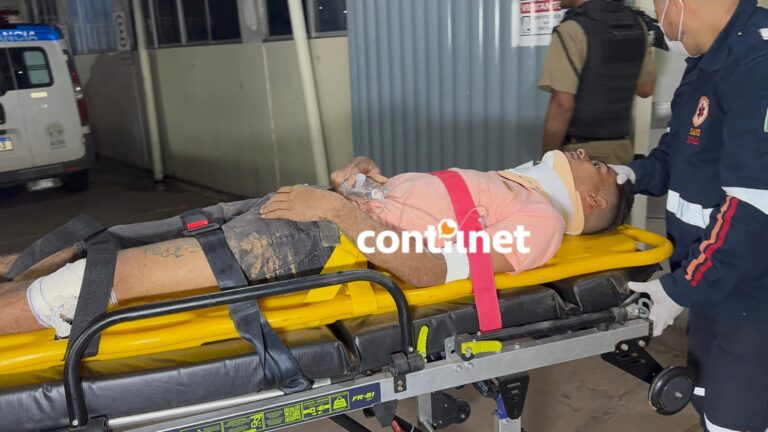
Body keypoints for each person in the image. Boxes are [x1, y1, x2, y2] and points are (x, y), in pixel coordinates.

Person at [0, 150, 634, 337]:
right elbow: (423, 220)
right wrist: (357, 182)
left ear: (593, 202)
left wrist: (338, 210)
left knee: (105, 279)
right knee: (98, 245)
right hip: (310, 215)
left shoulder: (541, 222)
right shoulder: (510, 183)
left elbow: (430, 269)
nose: (586, 155)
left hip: (318, 240)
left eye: (599, 167)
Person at [612, 1, 768, 431]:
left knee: (735, 420)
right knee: (706, 404)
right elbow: (676, 158)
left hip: (752, 298)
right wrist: (629, 175)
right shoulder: (706, 64)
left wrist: (680, 289)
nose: (662, 21)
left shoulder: (758, 63)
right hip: (710, 287)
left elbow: (754, 204)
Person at [539, 0, 657, 164]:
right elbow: (645, 88)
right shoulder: (638, 24)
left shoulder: (572, 30)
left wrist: (548, 160)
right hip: (622, 151)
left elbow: (562, 106)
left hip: (580, 155)